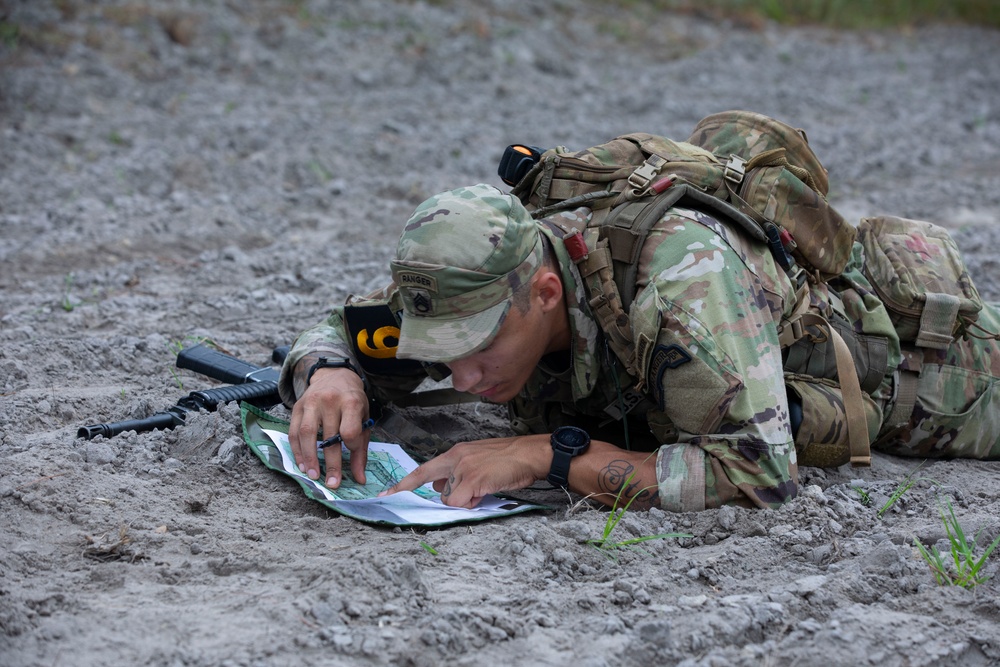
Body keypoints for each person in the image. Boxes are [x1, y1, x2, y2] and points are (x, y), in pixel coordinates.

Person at [277, 183, 1000, 513]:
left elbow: (760, 469)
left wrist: (548, 453)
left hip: (944, 384)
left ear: (546, 295)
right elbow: (348, 326)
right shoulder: (478, 275)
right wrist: (331, 370)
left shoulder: (681, 280)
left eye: (477, 345)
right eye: (444, 346)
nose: (459, 371)